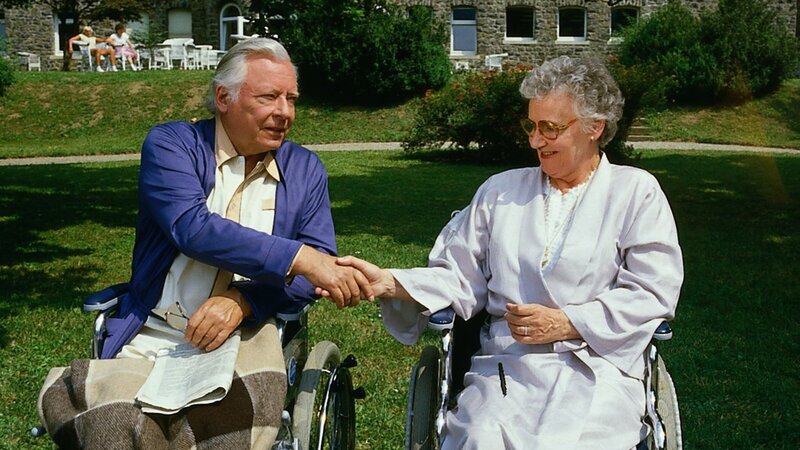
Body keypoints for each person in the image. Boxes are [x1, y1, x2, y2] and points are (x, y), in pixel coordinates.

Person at [327, 56, 683, 449]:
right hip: (506, 368)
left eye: (550, 128)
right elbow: (459, 275)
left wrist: (570, 322)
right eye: (531, 126)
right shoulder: (500, 191)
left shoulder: (636, 192)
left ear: (594, 128)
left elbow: (653, 291)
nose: (534, 140)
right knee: (482, 437)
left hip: (597, 366)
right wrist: (392, 282)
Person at [38, 37, 372, 448]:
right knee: (116, 425)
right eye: (269, 97)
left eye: (291, 98)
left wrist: (244, 301)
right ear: (223, 98)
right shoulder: (172, 145)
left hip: (247, 335)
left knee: (232, 424)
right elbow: (192, 228)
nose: (285, 112)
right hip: (154, 330)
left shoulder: (305, 170)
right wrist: (299, 257)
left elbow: (316, 275)